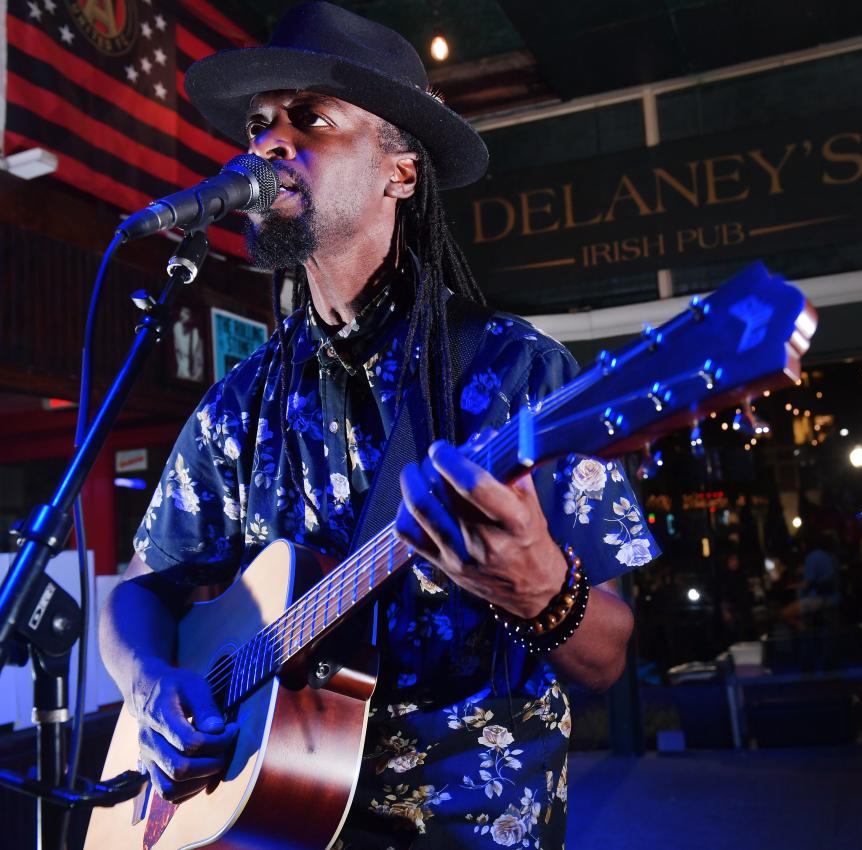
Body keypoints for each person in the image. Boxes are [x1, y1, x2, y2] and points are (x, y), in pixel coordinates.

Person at [98, 4, 659, 848]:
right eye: (259, 125)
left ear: (401, 172)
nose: (269, 144)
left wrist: (540, 588)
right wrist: (150, 687)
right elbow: (140, 587)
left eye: (309, 119)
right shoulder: (241, 403)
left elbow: (608, 656)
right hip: (275, 821)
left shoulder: (518, 375)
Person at [172, 306, 204, 381]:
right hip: (182, 374)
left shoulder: (194, 332)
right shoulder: (177, 326)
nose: (182, 315)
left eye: (186, 313)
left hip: (193, 376)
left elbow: (195, 356)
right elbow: (183, 350)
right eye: (182, 312)